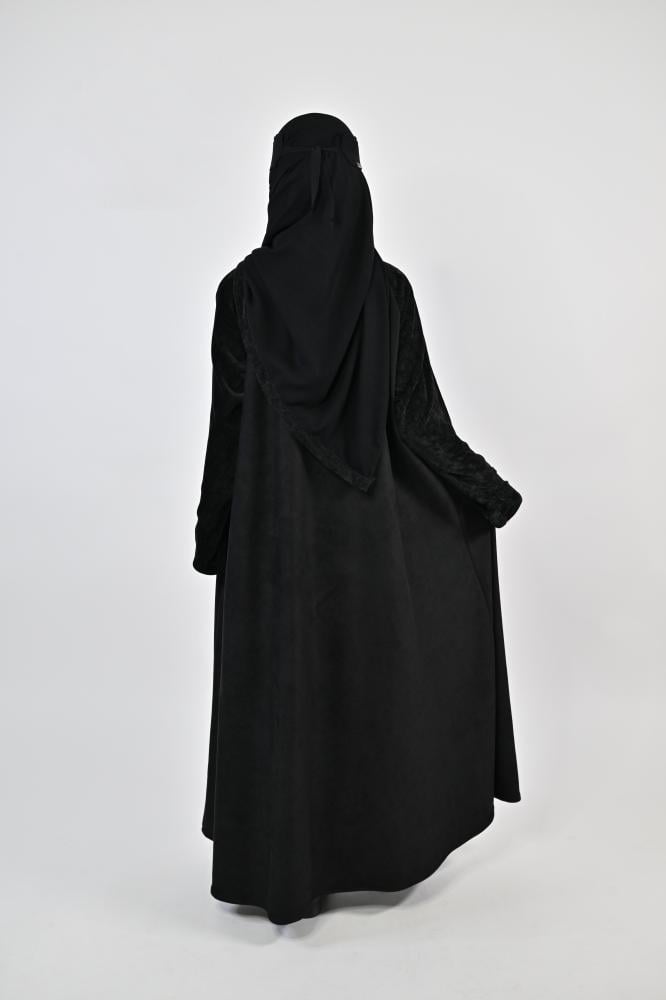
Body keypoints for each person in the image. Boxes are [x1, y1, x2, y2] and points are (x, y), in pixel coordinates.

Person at [192, 111, 523, 926]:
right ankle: (378, 852)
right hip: (370, 545)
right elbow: (419, 423)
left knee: (288, 686)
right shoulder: (386, 293)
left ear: (284, 184)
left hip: (274, 546)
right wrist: (485, 494)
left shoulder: (243, 293)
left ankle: (286, 865)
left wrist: (215, 537)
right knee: (366, 687)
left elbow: (228, 429)